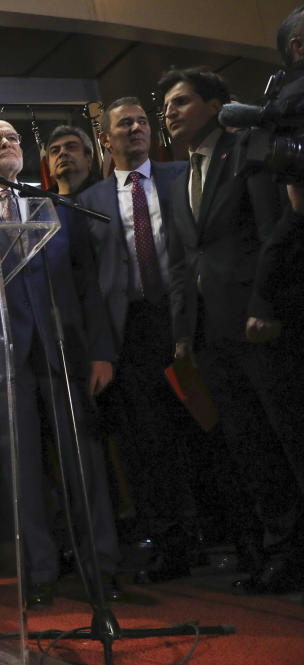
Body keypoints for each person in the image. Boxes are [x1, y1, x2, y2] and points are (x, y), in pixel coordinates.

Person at [0, 119, 121, 609]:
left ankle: (101, 567)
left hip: (63, 349)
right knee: (20, 471)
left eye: (14, 139)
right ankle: (40, 571)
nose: (6, 145)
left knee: (83, 464)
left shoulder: (54, 206)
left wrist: (101, 351)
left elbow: (87, 285)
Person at [160, 67, 304, 592]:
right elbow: (180, 264)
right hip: (209, 335)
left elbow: (275, 232)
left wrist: (268, 304)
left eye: (181, 102)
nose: (170, 113)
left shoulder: (248, 150)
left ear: (217, 104)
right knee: (249, 449)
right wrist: (182, 333)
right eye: (168, 106)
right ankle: (282, 556)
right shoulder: (180, 178)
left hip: (258, 324)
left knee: (289, 438)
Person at [77, 97, 201, 577]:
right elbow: (91, 286)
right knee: (149, 445)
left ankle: (240, 537)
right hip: (132, 331)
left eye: (142, 121)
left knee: (207, 428)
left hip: (188, 318)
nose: (135, 128)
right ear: (105, 139)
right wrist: (101, 352)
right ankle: (173, 547)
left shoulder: (182, 175)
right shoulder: (89, 202)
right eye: (124, 123)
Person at [47, 124, 96, 198]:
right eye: (55, 151)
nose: (62, 153)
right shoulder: (41, 205)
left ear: (89, 159)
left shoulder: (108, 194)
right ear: (49, 167)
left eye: (71, 147)